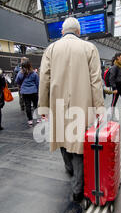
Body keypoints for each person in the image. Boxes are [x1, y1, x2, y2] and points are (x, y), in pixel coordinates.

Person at [38, 17, 105, 203]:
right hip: (81, 103)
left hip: (58, 103)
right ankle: (77, 188)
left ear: (62, 32)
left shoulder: (51, 49)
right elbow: (96, 81)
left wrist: (43, 106)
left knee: (62, 137)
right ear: (78, 32)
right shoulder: (89, 48)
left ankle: (70, 170)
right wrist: (99, 107)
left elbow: (44, 79)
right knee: (77, 145)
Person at [16, 59, 40, 126]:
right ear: (30, 65)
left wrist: (22, 87)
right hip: (34, 92)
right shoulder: (34, 73)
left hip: (25, 92)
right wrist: (38, 91)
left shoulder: (20, 73)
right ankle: (38, 118)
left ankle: (30, 120)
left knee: (27, 106)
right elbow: (37, 83)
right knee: (36, 105)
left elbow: (17, 81)